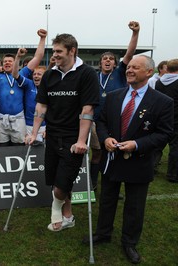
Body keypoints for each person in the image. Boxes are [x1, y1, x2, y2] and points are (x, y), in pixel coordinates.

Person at [85, 55, 173, 264]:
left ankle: (129, 242)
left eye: (135, 67)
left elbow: (165, 133)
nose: (129, 70)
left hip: (139, 161)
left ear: (149, 72)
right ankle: (103, 233)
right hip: (112, 158)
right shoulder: (114, 96)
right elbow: (102, 120)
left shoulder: (163, 101)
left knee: (134, 205)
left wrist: (137, 144)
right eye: (129, 67)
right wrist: (105, 138)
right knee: (107, 199)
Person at [27, 33, 99, 232]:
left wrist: (82, 141)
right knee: (56, 180)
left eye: (59, 51)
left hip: (73, 138)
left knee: (62, 184)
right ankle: (68, 216)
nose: (54, 56)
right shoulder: (50, 74)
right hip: (52, 135)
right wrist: (34, 133)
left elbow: (87, 110)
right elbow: (41, 106)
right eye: (54, 51)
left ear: (72, 51)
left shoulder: (86, 74)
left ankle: (56, 210)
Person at [90, 21, 140, 190]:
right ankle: (92, 183)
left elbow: (130, 53)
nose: (108, 60)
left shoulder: (119, 74)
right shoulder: (93, 76)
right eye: (105, 58)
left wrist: (135, 33)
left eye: (111, 59)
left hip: (117, 121)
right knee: (97, 152)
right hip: (96, 122)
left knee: (114, 153)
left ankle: (112, 184)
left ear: (115, 63)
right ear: (100, 63)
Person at [0, 29, 47, 147]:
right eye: (5, 61)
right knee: (1, 150)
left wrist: (42, 39)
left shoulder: (22, 73)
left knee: (18, 150)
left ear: (15, 63)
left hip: (18, 119)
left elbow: (38, 58)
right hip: (0, 118)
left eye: (10, 61)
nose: (7, 63)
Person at [11, 48, 46, 139]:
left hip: (43, 125)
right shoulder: (29, 84)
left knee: (42, 151)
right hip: (27, 125)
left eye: (39, 74)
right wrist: (18, 57)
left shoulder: (48, 88)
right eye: (34, 74)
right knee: (27, 150)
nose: (36, 76)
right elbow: (15, 75)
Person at [155, 58, 178, 183]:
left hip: (161, 119)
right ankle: (173, 175)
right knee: (175, 148)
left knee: (157, 145)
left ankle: (151, 168)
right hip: (175, 120)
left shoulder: (159, 82)